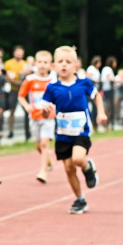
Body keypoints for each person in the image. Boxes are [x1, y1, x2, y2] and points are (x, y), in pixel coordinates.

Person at [40, 45, 107, 214]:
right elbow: (44, 108)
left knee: (78, 159)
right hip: (63, 134)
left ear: (76, 65)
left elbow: (97, 96)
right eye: (60, 62)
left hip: (81, 131)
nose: (64, 65)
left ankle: (87, 167)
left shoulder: (83, 83)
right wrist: (45, 109)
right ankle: (80, 199)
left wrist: (101, 112)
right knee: (69, 168)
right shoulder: (52, 87)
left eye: (68, 62)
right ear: (54, 66)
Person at [17, 49, 56, 182]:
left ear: (50, 64)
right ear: (35, 63)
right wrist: (26, 105)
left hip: (49, 117)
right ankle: (48, 160)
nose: (42, 65)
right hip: (34, 117)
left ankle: (43, 172)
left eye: (45, 62)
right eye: (40, 62)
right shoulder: (30, 79)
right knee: (39, 146)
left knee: (45, 143)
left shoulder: (53, 80)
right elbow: (21, 96)